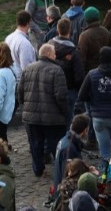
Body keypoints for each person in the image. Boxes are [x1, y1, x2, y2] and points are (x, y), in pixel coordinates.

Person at [19, 42, 69, 179]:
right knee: (57, 146)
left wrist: (25, 105)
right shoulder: (57, 70)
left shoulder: (28, 68)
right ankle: (61, 171)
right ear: (49, 54)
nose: (55, 56)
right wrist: (65, 113)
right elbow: (61, 96)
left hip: (31, 117)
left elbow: (20, 91)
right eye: (54, 53)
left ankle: (38, 170)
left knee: (35, 145)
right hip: (53, 119)